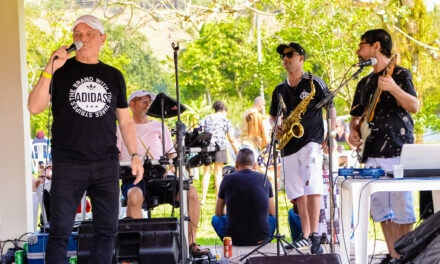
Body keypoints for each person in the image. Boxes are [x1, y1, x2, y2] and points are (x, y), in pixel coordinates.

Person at [27, 15, 143, 264]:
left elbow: (125, 121)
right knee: (59, 232)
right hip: (68, 163)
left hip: (105, 164)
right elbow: (34, 107)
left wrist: (135, 155)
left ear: (103, 39)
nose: (83, 38)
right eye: (78, 34)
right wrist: (50, 67)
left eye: (90, 34)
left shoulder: (113, 76)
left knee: (106, 232)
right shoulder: (58, 72)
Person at [348, 29, 418, 264]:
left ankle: (406, 256)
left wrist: (394, 89)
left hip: (399, 150)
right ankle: (393, 255)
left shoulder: (400, 73)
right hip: (372, 152)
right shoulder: (365, 82)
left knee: (402, 209)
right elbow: (356, 117)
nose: (358, 51)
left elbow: (414, 106)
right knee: (381, 211)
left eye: (362, 45)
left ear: (376, 46)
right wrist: (353, 131)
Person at [116, 90, 209, 257]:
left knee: (191, 192)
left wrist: (176, 168)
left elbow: (172, 155)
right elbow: (114, 156)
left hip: (162, 177)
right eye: (143, 100)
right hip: (134, 178)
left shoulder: (160, 126)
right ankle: (140, 250)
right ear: (131, 103)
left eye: (149, 101)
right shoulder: (120, 127)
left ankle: (191, 244)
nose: (147, 104)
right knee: (134, 197)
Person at [270, 42, 336, 254]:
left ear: (301, 58)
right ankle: (305, 235)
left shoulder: (314, 82)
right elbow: (273, 117)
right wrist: (276, 127)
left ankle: (316, 233)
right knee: (297, 191)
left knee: (313, 184)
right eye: (283, 56)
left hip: (312, 141)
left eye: (290, 54)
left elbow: (331, 107)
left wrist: (331, 134)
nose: (286, 58)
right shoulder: (279, 89)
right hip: (289, 144)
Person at [211, 148, 276, 246]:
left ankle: (229, 242)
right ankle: (264, 240)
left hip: (235, 238)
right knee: (274, 218)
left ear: (236, 164)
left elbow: (218, 212)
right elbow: (272, 212)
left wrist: (232, 212)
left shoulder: (227, 179)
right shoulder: (264, 178)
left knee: (215, 219)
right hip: (261, 238)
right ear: (254, 165)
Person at [199, 101, 239, 205]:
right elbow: (231, 139)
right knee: (218, 173)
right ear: (224, 111)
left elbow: (199, 132)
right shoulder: (226, 120)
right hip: (220, 146)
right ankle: (218, 198)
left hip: (206, 146)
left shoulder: (206, 118)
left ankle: (203, 199)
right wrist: (238, 151)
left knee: (206, 173)